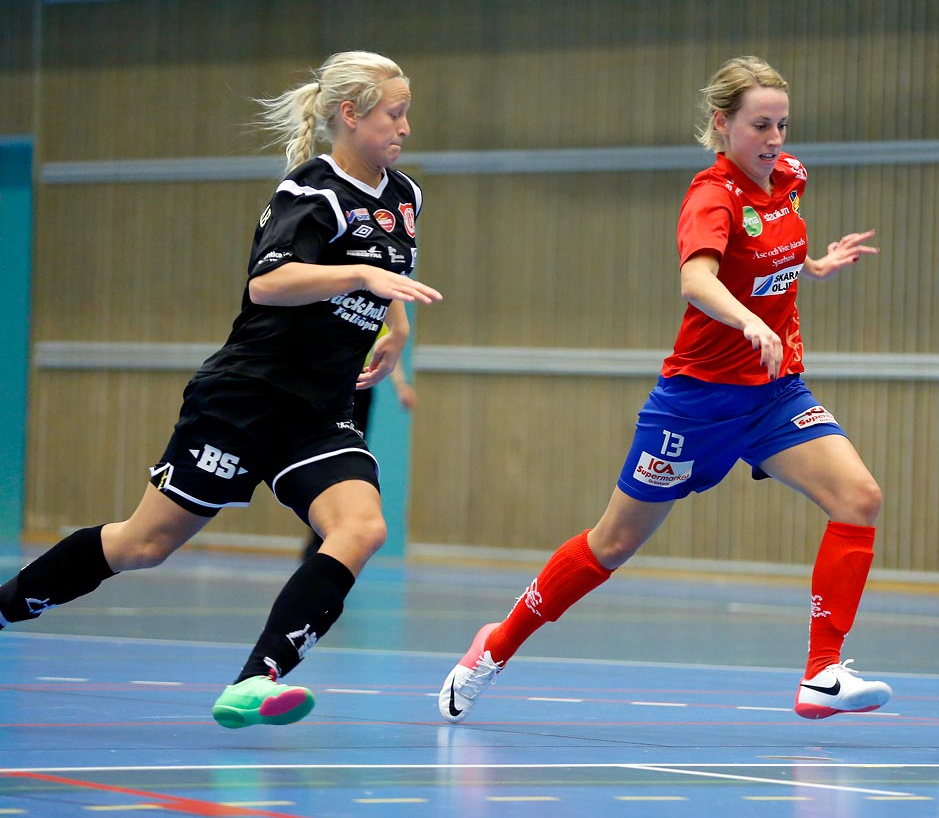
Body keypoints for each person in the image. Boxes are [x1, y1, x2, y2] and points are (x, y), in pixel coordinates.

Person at [438, 55, 888, 723]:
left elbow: (774, 259)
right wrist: (746, 321)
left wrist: (817, 266)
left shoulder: (788, 179)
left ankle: (821, 673)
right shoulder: (712, 196)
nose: (774, 139)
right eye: (759, 125)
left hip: (774, 395)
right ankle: (494, 648)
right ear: (722, 124)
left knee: (859, 498)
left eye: (782, 125)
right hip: (696, 403)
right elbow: (698, 282)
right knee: (611, 544)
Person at [0, 51, 441, 729]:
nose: (406, 126)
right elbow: (269, 282)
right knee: (142, 546)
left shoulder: (405, 196)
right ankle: (5, 606)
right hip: (246, 398)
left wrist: (397, 328)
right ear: (350, 116)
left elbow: (391, 271)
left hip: (320, 412)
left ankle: (253, 683)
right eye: (395, 112)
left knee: (362, 527)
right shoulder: (309, 193)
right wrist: (357, 278)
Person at [301, 340, 415, 562]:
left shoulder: (376, 312)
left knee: (352, 457)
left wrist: (401, 385)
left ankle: (327, 539)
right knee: (321, 458)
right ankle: (318, 538)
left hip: (360, 388)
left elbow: (389, 347)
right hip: (327, 386)